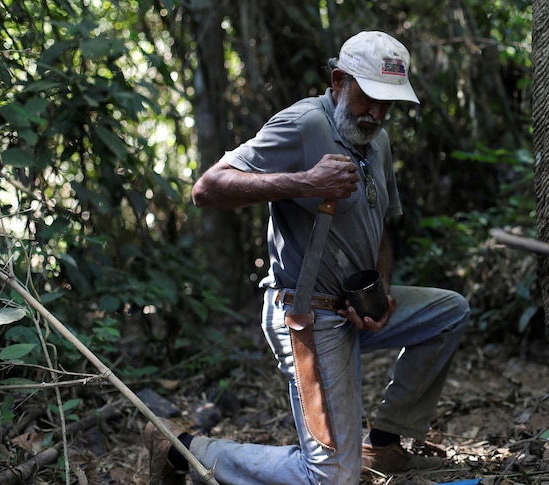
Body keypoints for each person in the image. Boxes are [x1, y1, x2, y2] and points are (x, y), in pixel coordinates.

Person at [144, 31, 470, 484]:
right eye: (368, 98)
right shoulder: (303, 124)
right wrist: (303, 182)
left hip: (353, 308)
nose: (376, 113)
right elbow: (208, 188)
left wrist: (379, 297)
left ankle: (385, 445)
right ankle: (185, 451)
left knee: (449, 312)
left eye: (387, 103)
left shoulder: (378, 141)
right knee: (332, 477)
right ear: (339, 81)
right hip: (307, 314)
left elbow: (381, 233)